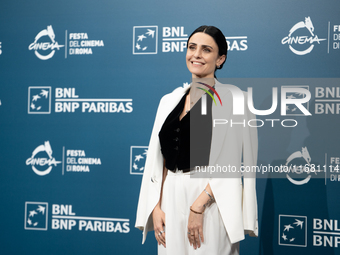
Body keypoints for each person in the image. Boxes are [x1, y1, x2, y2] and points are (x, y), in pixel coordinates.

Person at [135, 25, 258, 255]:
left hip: (212, 197)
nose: (196, 55)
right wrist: (157, 206)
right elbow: (161, 157)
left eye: (206, 49)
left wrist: (199, 206)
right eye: (192, 47)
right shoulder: (169, 101)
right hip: (170, 193)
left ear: (220, 59)